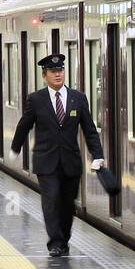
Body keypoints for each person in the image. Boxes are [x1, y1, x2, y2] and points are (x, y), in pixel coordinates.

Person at [9, 52, 106, 257]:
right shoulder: (36, 99)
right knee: (51, 199)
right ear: (44, 76)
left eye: (60, 70)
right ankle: (55, 242)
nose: (58, 74)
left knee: (67, 203)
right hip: (46, 161)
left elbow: (89, 129)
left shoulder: (78, 99)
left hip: (71, 162)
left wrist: (97, 154)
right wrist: (15, 148)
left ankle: (64, 237)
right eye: (53, 71)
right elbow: (24, 125)